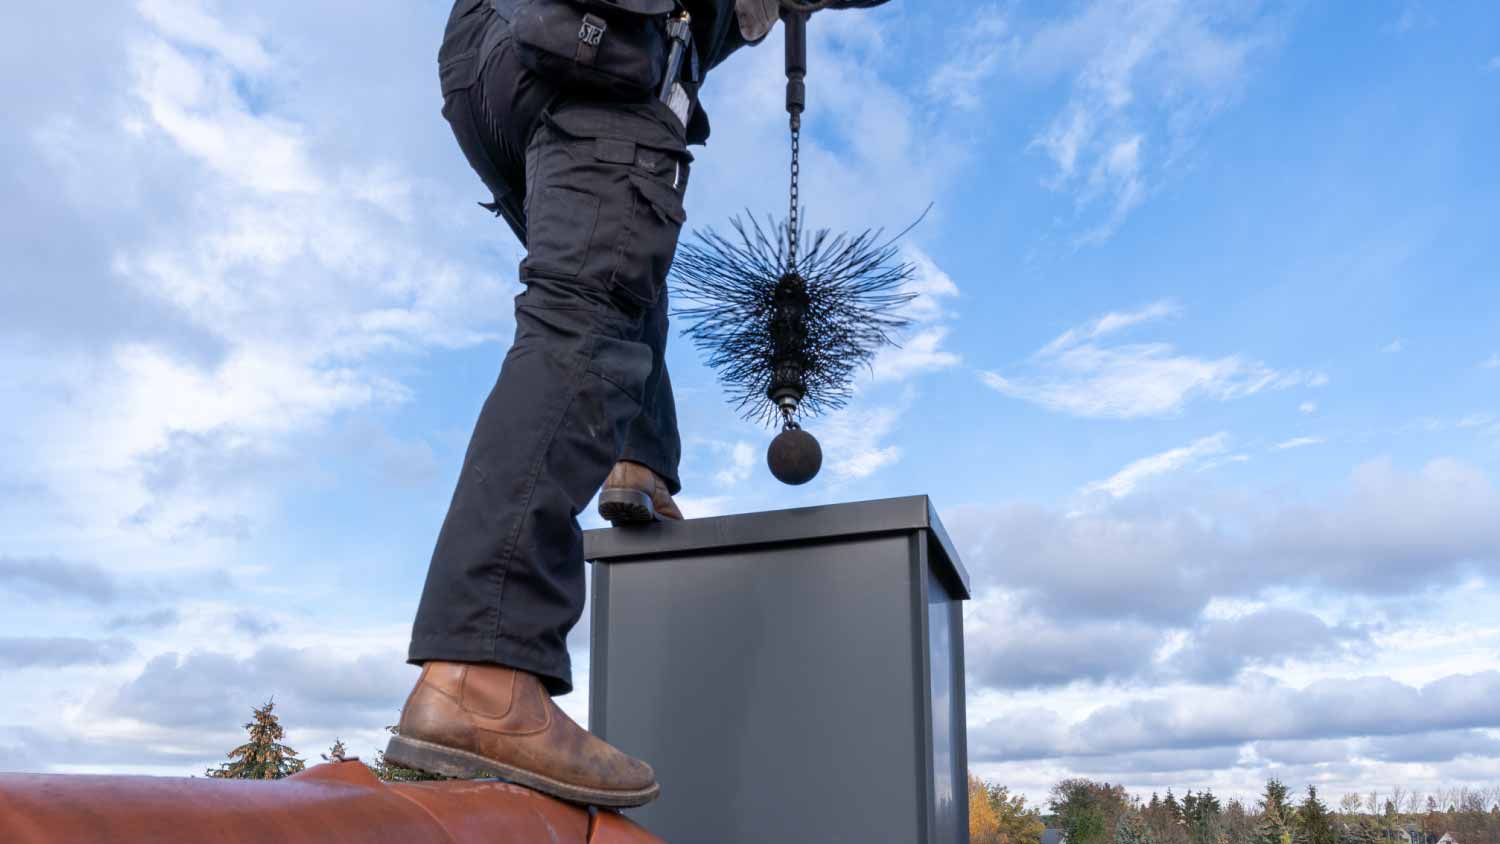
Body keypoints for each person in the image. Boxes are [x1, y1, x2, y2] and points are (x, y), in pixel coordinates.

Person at [387, 0, 780, 808]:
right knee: (586, 316)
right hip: (600, 43)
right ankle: (481, 671)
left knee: (615, 277)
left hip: (487, 61)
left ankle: (641, 461)